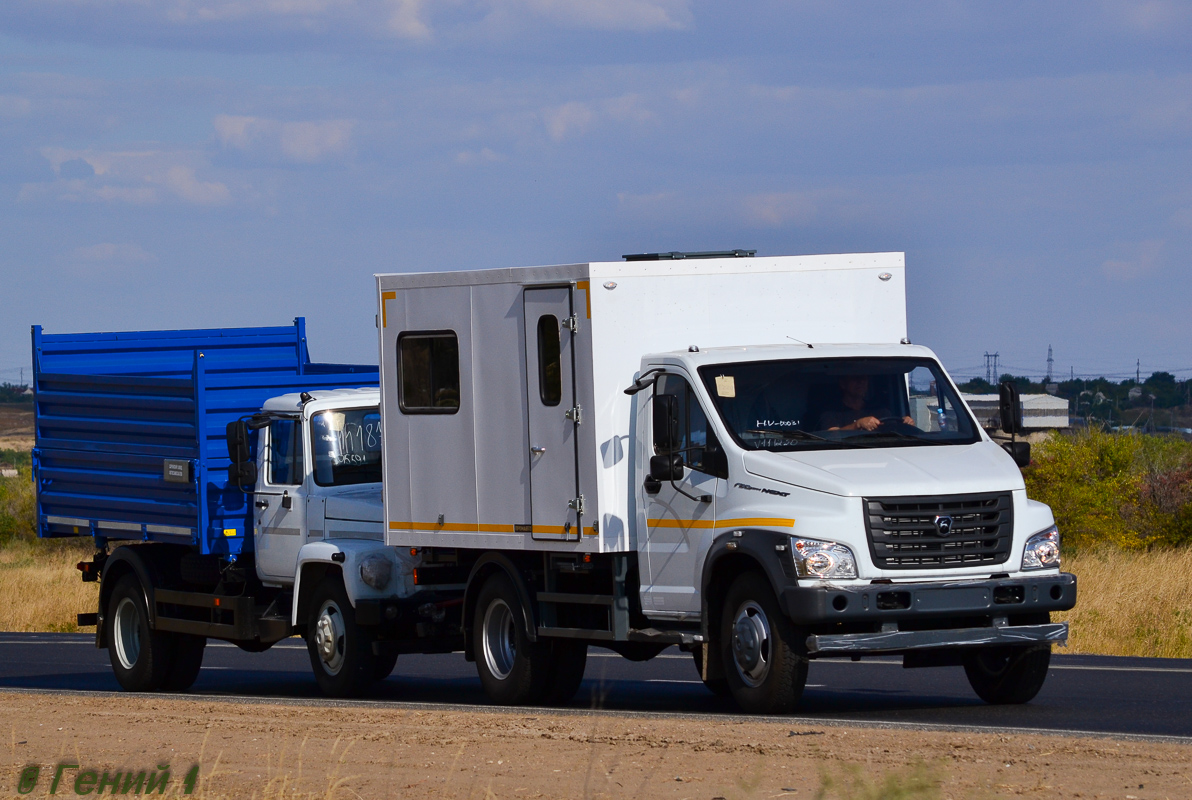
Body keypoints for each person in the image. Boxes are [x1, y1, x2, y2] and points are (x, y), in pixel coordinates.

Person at [819, 375, 914, 431]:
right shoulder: (831, 412)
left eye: (864, 379)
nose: (861, 382)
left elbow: (892, 431)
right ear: (843, 384)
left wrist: (904, 424)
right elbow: (831, 435)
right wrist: (857, 425)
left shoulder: (880, 410)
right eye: (855, 378)